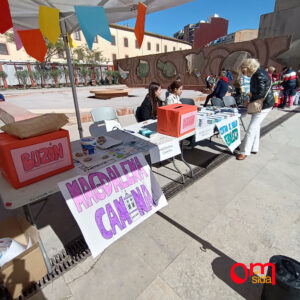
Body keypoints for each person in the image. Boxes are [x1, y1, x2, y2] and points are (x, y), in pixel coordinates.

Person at [236, 58, 275, 160]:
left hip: (263, 105)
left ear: (249, 68)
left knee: (251, 128)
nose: (245, 74)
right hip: (265, 104)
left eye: (245, 71)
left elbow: (261, 93)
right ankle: (254, 147)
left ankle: (244, 151)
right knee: (256, 126)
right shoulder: (260, 72)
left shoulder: (259, 75)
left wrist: (250, 101)